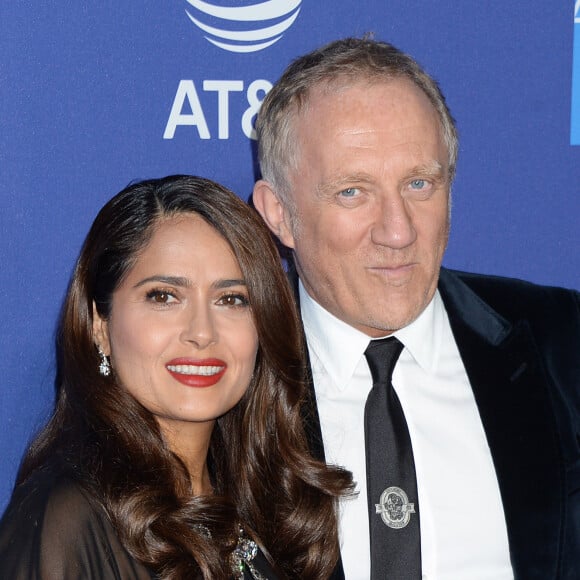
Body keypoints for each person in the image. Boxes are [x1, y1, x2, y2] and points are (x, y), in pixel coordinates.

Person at [252, 37, 580, 579]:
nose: (398, 231)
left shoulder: (562, 341)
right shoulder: (229, 379)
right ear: (279, 213)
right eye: (353, 192)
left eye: (419, 183)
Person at [0, 175, 353, 579]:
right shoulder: (69, 519)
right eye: (164, 296)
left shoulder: (260, 506)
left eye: (231, 299)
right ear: (100, 325)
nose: (202, 332)